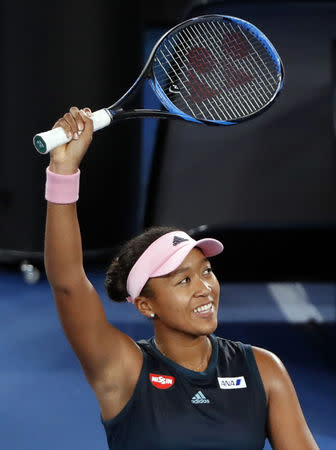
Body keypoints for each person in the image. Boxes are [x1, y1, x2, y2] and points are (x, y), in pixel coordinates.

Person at [44, 106, 319, 450]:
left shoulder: (263, 370)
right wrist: (63, 172)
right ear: (146, 305)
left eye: (206, 272)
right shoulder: (124, 370)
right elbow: (69, 285)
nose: (205, 288)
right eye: (183, 280)